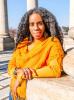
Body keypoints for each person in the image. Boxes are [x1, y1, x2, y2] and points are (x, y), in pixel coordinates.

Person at [8, 7, 64, 100]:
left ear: (46, 24)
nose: (36, 28)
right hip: (13, 91)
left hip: (31, 94)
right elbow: (10, 66)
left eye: (40, 23)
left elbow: (55, 69)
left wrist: (24, 73)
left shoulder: (52, 42)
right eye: (32, 24)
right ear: (28, 27)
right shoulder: (23, 43)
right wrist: (17, 71)